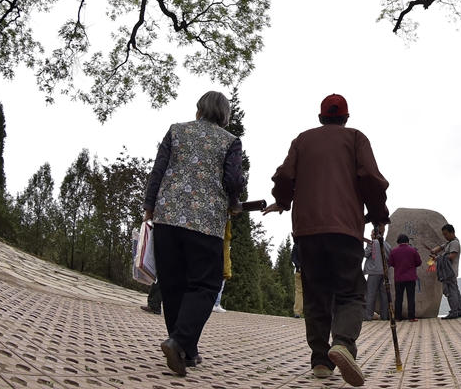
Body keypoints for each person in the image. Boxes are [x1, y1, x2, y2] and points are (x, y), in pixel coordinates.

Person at [264, 94, 389, 386]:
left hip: (307, 229)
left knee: (316, 293)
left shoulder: (302, 140)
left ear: (321, 117)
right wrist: (378, 214)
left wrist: (282, 201)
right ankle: (343, 343)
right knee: (350, 291)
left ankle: (321, 360)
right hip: (345, 228)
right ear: (346, 117)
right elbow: (370, 177)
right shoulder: (356, 138)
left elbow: (284, 175)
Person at [142, 90, 245, 376]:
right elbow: (234, 179)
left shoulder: (176, 131)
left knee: (172, 285)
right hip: (205, 222)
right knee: (205, 286)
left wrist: (149, 207)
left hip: (167, 217)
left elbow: (158, 170)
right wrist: (234, 203)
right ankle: (178, 342)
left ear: (199, 109)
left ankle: (186, 349)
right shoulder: (230, 141)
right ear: (225, 115)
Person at [431, 224, 461, 319]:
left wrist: (438, 258)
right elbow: (440, 248)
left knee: (450, 292)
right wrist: (434, 251)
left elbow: (452, 256)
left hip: (449, 271)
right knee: (455, 291)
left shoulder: (454, 243)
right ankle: (459, 311)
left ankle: (454, 312)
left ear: (452, 232)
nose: (445, 236)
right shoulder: (449, 243)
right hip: (450, 271)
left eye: (446, 234)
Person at [388, 234, 421, 322]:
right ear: (407, 241)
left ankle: (398, 317)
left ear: (398, 242)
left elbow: (390, 262)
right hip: (411, 277)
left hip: (398, 277)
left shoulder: (394, 251)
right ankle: (412, 317)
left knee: (398, 298)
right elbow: (419, 262)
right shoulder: (413, 250)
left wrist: (398, 266)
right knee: (411, 298)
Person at [362, 227, 392, 321]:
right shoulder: (387, 245)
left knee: (371, 294)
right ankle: (385, 316)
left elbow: (365, 254)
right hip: (384, 272)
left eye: (371, 233)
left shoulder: (372, 243)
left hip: (373, 271)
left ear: (375, 234)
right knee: (384, 295)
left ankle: (368, 316)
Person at [292, 239, 303, 319]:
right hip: (310, 273)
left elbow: (293, 257)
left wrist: (298, 266)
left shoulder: (296, 245)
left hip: (299, 271)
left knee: (299, 291)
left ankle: (298, 312)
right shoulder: (311, 243)